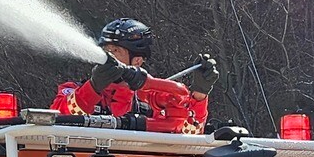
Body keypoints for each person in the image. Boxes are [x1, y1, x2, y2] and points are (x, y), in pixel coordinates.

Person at [52, 18, 219, 134]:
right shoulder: (74, 90)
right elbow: (58, 119)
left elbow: (189, 132)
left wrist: (199, 96)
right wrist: (93, 87)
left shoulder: (152, 99)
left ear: (137, 60)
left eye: (115, 50)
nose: (108, 56)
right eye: (105, 50)